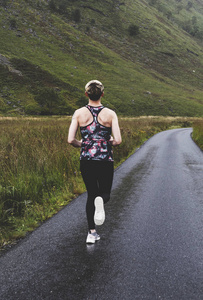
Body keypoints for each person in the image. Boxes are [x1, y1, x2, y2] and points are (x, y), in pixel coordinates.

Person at [68, 80, 122, 244]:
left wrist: (83, 144)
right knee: (104, 193)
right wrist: (107, 142)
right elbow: (118, 140)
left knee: (91, 194)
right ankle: (102, 201)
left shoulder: (78, 113)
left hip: (87, 160)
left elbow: (70, 139)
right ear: (102, 94)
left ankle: (91, 233)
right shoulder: (110, 114)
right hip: (105, 160)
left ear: (86, 94)